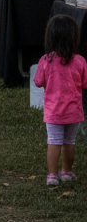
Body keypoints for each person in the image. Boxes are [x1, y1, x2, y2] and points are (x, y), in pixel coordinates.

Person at [34, 15, 87, 186]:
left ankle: (52, 175)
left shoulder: (45, 61)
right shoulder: (80, 61)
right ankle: (66, 171)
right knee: (69, 142)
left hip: (53, 112)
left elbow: (38, 81)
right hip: (74, 111)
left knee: (54, 142)